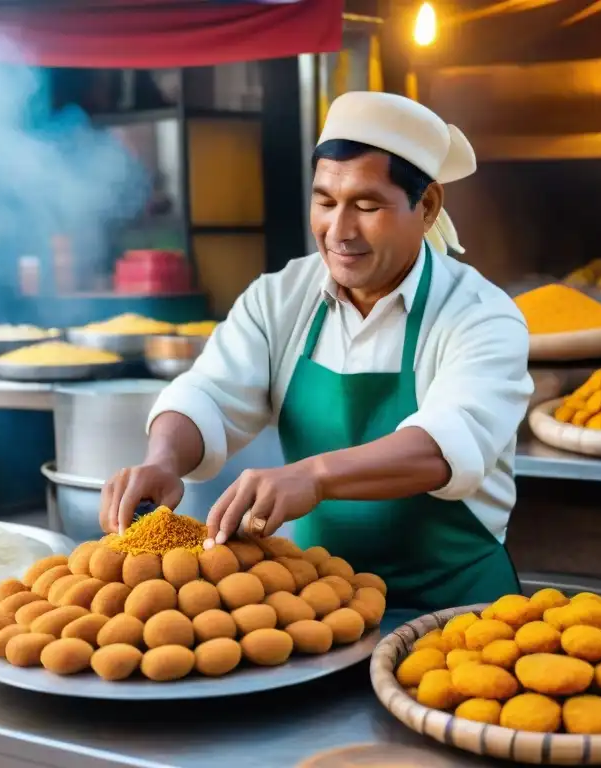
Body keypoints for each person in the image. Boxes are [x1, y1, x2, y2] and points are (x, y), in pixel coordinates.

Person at [99, 91, 534, 610]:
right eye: (325, 202)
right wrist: (163, 459)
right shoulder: (280, 298)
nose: (339, 231)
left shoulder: (481, 314)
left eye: (367, 206)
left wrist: (315, 475)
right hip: (317, 604)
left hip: (458, 611)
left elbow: (447, 442)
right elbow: (210, 394)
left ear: (428, 206)